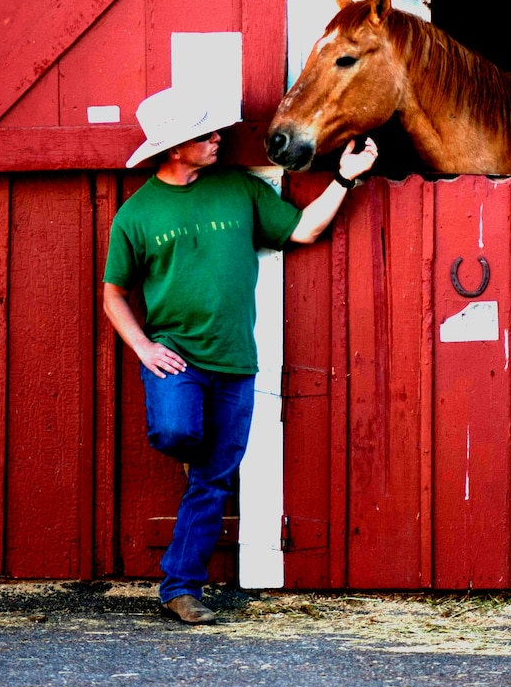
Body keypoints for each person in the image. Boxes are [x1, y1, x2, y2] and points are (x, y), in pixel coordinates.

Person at [103, 84, 377, 625]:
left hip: (235, 361)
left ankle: (180, 590)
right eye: (204, 133)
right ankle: (190, 453)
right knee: (180, 434)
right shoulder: (136, 215)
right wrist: (143, 345)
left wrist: (347, 176)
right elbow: (113, 293)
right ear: (174, 147)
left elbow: (303, 229)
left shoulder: (237, 188)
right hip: (175, 355)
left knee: (211, 480)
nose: (217, 137)